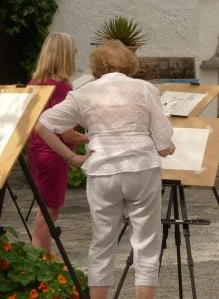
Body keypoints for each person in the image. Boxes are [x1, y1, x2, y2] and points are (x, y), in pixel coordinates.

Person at [34, 39, 175, 299]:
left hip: (102, 169)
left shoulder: (84, 92)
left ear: (98, 65)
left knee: (102, 241)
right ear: (130, 64)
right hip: (141, 168)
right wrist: (167, 147)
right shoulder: (144, 89)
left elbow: (42, 124)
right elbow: (163, 140)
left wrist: (71, 158)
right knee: (145, 241)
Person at [27, 32, 88, 253]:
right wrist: (96, 136)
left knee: (44, 209)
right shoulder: (61, 88)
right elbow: (67, 135)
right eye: (72, 51)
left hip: (36, 150)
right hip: (53, 154)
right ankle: (39, 262)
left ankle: (41, 260)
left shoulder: (36, 83)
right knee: (49, 212)